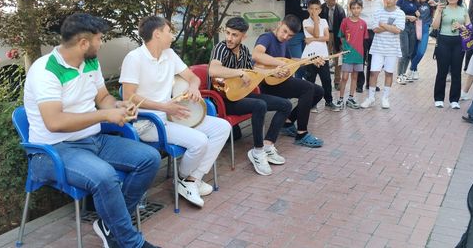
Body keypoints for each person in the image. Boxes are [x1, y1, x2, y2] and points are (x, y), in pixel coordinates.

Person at [23, 13, 161, 248]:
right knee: (104, 176)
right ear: (83, 43)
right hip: (52, 151)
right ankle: (129, 242)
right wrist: (105, 115)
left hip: (92, 141)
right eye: (99, 39)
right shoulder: (46, 70)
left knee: (149, 158)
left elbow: (103, 98)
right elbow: (54, 122)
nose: (101, 43)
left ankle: (111, 224)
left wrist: (120, 106)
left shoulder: (90, 62)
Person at [120, 16, 231, 207]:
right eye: (169, 31)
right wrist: (164, 107)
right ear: (157, 34)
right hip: (149, 122)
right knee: (200, 141)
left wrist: (194, 87)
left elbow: (192, 77)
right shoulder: (134, 58)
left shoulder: (169, 54)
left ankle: (191, 180)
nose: (172, 35)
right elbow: (128, 97)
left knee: (222, 127)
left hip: (172, 114)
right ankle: (183, 179)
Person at [208, 17, 292, 176]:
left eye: (234, 35)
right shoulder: (221, 48)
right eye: (227, 33)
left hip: (241, 95)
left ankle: (267, 145)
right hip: (223, 100)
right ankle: (257, 152)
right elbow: (213, 70)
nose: (229, 38)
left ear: (243, 37)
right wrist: (239, 73)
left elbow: (253, 74)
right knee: (259, 105)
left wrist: (273, 72)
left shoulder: (245, 51)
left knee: (285, 105)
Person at [253, 14, 325, 147]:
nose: (286, 37)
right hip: (266, 84)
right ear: (280, 24)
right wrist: (278, 64)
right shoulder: (266, 38)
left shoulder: (283, 42)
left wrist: (311, 60)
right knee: (307, 88)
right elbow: (257, 55)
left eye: (290, 35)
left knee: (319, 91)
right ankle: (301, 134)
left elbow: (290, 62)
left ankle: (287, 122)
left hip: (280, 81)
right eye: (284, 31)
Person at [360, 0, 405, 109]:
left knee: (389, 73)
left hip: (392, 49)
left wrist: (384, 25)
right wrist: (390, 26)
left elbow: (398, 30)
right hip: (378, 48)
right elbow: (375, 29)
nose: (389, 0)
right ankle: (371, 98)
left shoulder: (400, 13)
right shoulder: (378, 12)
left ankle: (385, 98)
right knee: (373, 72)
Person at [432, 0, 470, 109]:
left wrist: (462, 26)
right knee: (442, 71)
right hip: (444, 40)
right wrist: (438, 11)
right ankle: (438, 98)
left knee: (456, 71)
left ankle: (454, 99)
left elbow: (469, 27)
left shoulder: (463, 9)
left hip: (458, 41)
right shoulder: (443, 9)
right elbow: (435, 26)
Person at [273, 0, 314, 76]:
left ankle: (300, 84)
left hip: (306, 33)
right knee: (296, 62)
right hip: (293, 33)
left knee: (304, 61)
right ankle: (296, 83)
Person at [302, 0, 341, 111]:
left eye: (316, 9)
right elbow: (316, 32)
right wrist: (314, 20)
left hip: (323, 55)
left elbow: (327, 37)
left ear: (320, 10)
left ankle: (329, 101)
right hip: (310, 56)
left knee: (326, 80)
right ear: (308, 9)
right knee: (311, 80)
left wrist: (312, 39)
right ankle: (312, 103)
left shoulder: (323, 21)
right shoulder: (305, 21)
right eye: (311, 9)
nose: (314, 11)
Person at [336, 0, 368, 109]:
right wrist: (345, 48)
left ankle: (350, 98)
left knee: (355, 77)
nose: (356, 10)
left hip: (359, 55)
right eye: (353, 8)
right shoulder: (345, 21)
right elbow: (341, 36)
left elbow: (364, 39)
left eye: (358, 8)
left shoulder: (363, 24)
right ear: (350, 9)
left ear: (361, 9)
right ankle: (340, 99)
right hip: (347, 53)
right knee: (344, 77)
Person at [356, 0, 384, 92]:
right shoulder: (359, 1)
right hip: (362, 32)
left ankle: (370, 84)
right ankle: (359, 85)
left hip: (375, 32)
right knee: (361, 59)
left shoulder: (380, 1)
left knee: (373, 59)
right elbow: (353, 15)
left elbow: (383, 15)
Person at [320, 0, 346, 89]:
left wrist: (342, 40)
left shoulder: (340, 9)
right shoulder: (321, 8)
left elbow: (343, 26)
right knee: (323, 58)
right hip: (325, 35)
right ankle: (325, 80)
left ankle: (337, 81)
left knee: (337, 59)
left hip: (336, 35)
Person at [409, 0, 436, 80]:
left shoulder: (431, 3)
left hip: (425, 28)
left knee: (421, 52)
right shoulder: (416, 2)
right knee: (414, 51)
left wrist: (435, 5)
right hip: (415, 26)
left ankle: (411, 68)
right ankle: (414, 71)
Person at [396, 0, 420, 84]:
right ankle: (399, 75)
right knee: (404, 52)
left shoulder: (416, 2)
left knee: (410, 53)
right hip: (404, 27)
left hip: (413, 28)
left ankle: (404, 74)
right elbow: (396, 13)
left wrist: (417, 16)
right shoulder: (401, 0)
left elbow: (418, 16)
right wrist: (408, 17)